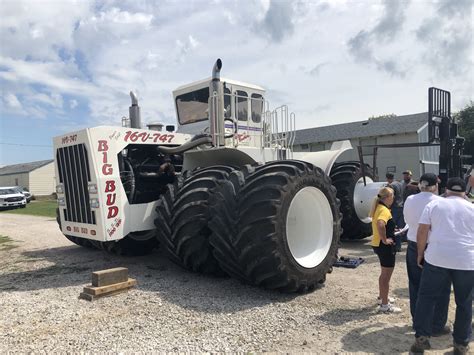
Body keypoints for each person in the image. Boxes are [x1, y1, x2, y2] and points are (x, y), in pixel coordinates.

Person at [410, 177, 474, 355]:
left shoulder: (435, 205)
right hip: (466, 261)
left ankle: (421, 339)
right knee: (464, 303)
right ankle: (461, 345)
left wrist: (420, 254)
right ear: (464, 192)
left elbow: (422, 230)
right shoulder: (472, 207)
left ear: (446, 190)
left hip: (437, 258)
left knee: (427, 298)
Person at [403, 173, 450, 336]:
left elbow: (408, 221)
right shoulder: (441, 202)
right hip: (434, 246)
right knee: (441, 286)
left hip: (413, 244)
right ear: (435, 186)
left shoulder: (410, 200)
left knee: (416, 284)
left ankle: (418, 321)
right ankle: (437, 324)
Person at [370, 186, 401, 313]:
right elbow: (380, 224)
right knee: (386, 276)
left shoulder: (379, 207)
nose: (393, 198)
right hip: (384, 246)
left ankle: (382, 296)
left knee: (383, 274)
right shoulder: (384, 210)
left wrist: (392, 231)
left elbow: (383, 224)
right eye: (392, 196)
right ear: (387, 197)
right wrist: (385, 239)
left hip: (377, 244)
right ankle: (384, 305)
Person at [386, 172, 405, 252]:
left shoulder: (391, 185)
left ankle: (394, 245)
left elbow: (391, 197)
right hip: (401, 206)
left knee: (393, 227)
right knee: (400, 227)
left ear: (387, 178)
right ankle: (399, 246)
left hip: (394, 208)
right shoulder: (400, 184)